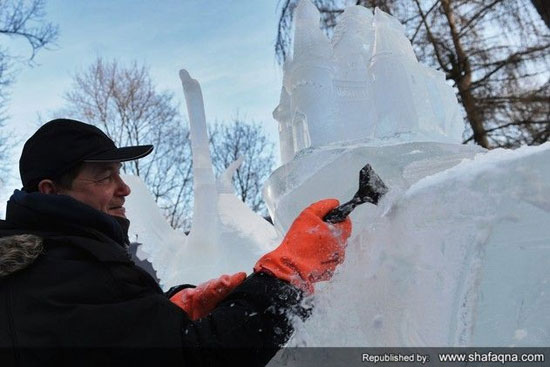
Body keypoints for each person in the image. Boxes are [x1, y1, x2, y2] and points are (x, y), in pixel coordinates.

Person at [0, 118, 351, 366]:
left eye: (120, 174)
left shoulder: (57, 262)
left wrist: (170, 310)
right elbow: (196, 356)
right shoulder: (60, 272)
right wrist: (289, 274)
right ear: (51, 190)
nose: (123, 189)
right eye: (105, 177)